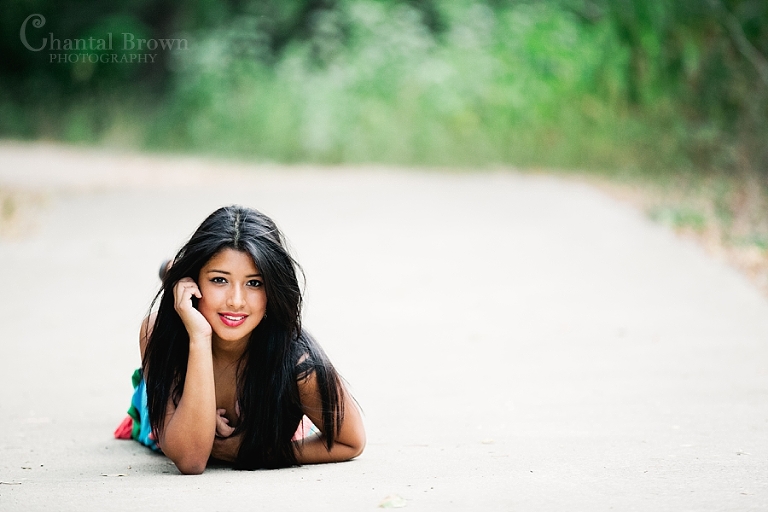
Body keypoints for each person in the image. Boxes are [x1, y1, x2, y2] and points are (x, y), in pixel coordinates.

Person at [115, 205, 365, 474]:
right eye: (219, 280)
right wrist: (199, 337)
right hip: (168, 378)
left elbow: (350, 442)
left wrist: (253, 453)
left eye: (254, 283)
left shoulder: (298, 364)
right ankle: (173, 273)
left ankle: (180, 273)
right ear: (195, 283)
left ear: (273, 289)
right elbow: (190, 459)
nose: (236, 301)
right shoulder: (159, 333)